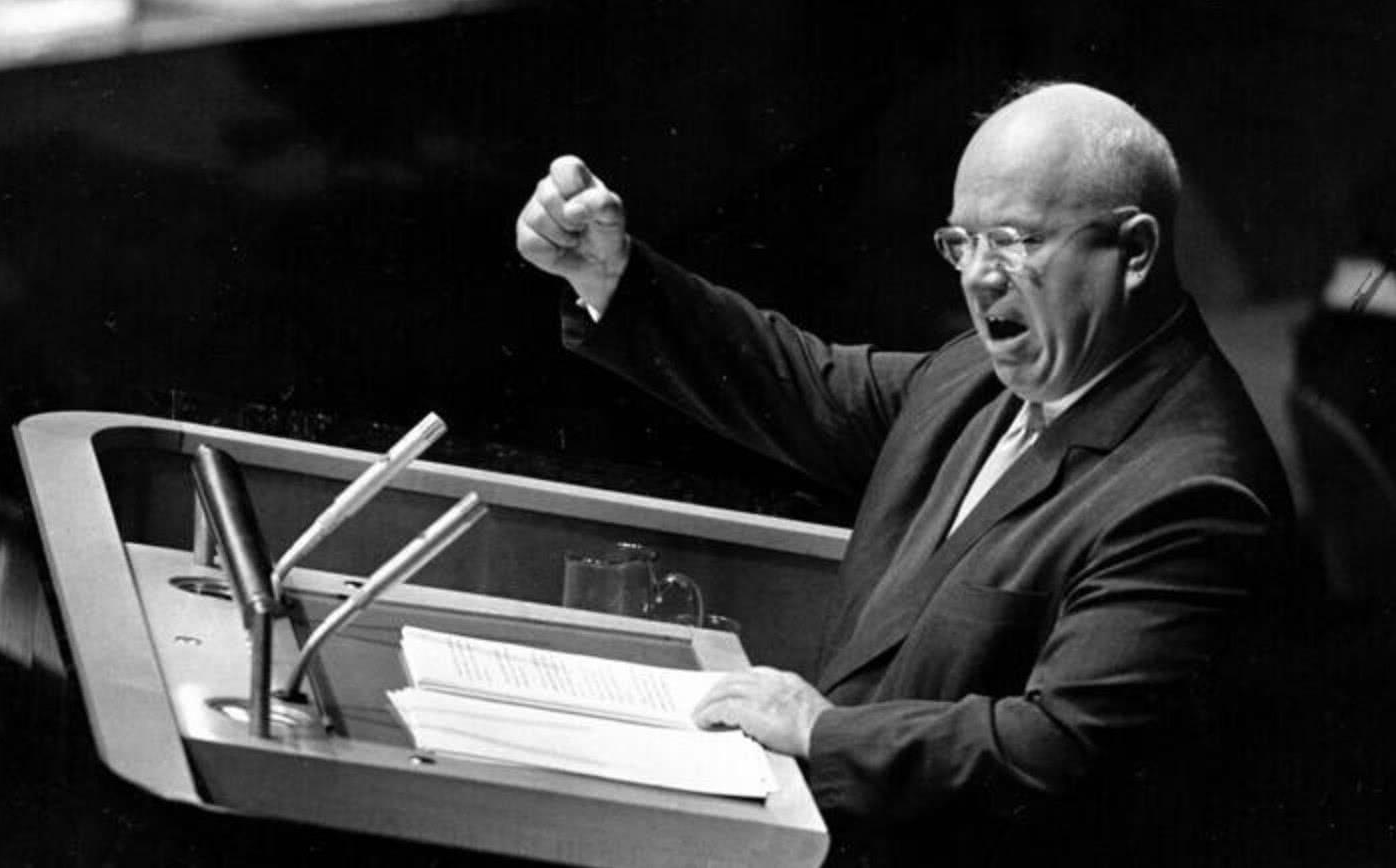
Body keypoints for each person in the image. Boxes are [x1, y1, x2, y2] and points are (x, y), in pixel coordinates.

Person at [515, 82, 1291, 865]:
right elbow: (810, 387)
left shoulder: (1197, 490)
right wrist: (611, 276)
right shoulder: (978, 376)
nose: (979, 277)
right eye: (962, 242)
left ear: (1136, 251)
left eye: (1015, 241)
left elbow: (1056, 749)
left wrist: (822, 732)